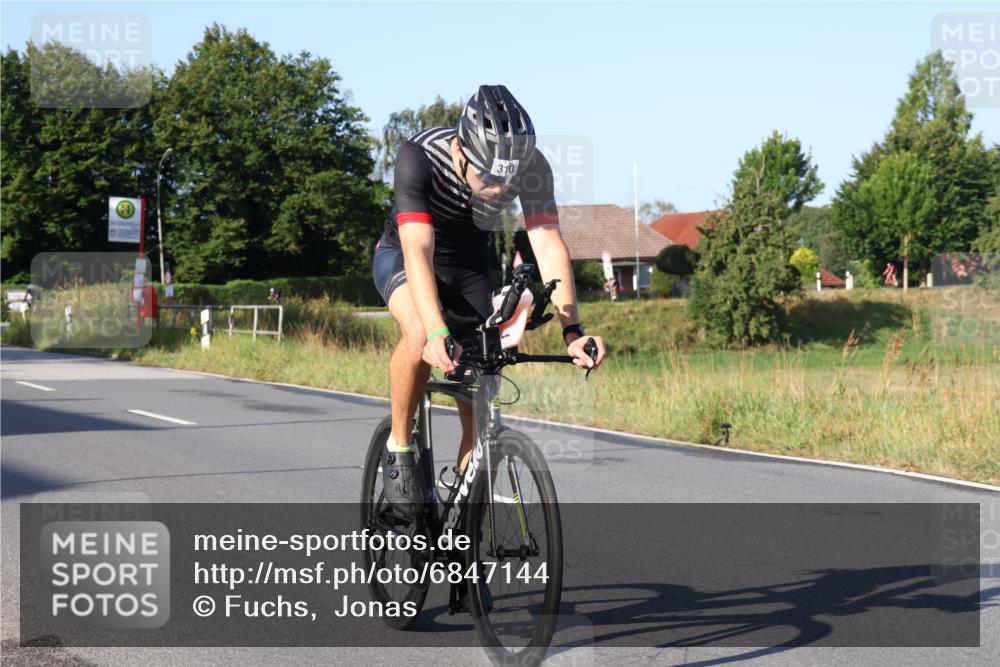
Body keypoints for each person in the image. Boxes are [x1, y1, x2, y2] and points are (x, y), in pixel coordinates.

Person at [371, 85, 607, 519]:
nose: (501, 189)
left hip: (468, 266)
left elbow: (549, 245)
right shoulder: (418, 157)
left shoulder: (532, 165)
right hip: (406, 255)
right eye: (490, 178)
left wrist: (572, 329)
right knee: (422, 331)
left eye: (509, 180)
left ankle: (463, 531)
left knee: (484, 391)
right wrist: (438, 329)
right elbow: (417, 252)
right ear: (462, 152)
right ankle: (399, 447)